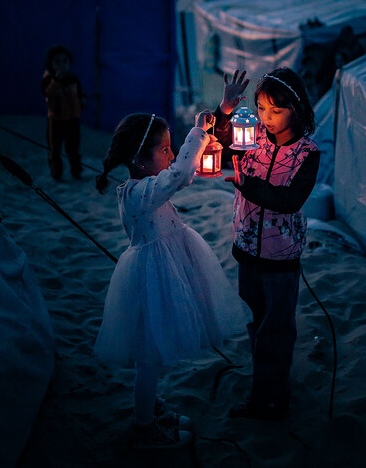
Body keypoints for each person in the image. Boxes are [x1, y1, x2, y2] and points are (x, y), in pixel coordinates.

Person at [94, 112, 245, 450]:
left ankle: (148, 408)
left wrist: (205, 127)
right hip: (154, 277)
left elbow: (183, 176)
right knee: (150, 356)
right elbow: (178, 175)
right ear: (139, 160)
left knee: (153, 355)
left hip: (166, 268)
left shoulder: (147, 187)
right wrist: (196, 132)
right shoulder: (140, 193)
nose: (173, 154)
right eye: (164, 149)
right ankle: (144, 423)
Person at [213, 67, 321, 421]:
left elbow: (290, 200)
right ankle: (263, 385)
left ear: (297, 107)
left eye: (277, 110)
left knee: (276, 329)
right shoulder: (252, 135)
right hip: (246, 248)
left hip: (281, 256)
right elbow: (220, 139)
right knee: (255, 321)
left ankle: (270, 399)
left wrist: (247, 186)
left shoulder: (307, 152)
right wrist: (226, 109)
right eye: (261, 108)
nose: (267, 118)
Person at [41, 44, 86, 180]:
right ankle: (57, 174)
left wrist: (83, 100)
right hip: (56, 121)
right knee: (55, 150)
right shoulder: (49, 80)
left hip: (73, 120)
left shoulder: (73, 79)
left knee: (73, 148)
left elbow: (79, 94)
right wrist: (56, 80)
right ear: (51, 64)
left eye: (65, 61)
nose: (62, 65)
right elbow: (48, 94)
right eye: (57, 62)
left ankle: (76, 172)